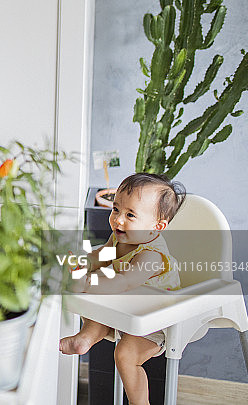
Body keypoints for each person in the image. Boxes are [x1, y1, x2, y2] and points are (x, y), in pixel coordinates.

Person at [60, 173, 185, 405]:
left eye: (130, 215)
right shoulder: (121, 237)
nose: (118, 220)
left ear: (156, 227)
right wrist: (82, 262)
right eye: (116, 209)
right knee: (98, 313)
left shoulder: (152, 255)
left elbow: (123, 282)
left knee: (125, 355)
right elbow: (103, 255)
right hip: (124, 307)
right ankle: (85, 339)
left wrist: (87, 283)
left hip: (154, 319)